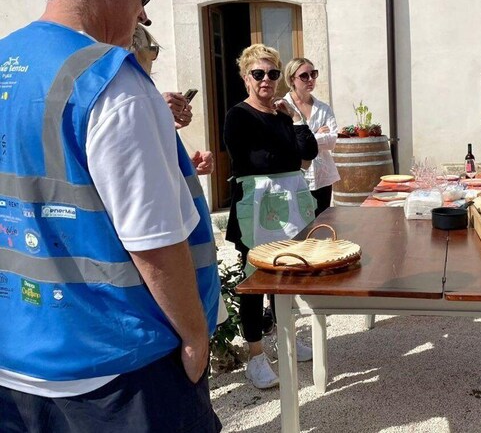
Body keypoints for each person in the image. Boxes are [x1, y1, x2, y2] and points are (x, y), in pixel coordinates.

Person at [0, 0, 221, 432]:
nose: (141, 17)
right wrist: (194, 336)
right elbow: (153, 237)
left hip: (17, 359)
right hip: (118, 368)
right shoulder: (111, 82)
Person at [223, 44, 318, 389]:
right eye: (258, 74)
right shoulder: (239, 115)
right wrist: (288, 158)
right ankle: (256, 357)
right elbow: (258, 161)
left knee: (289, 271)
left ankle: (285, 339)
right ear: (246, 78)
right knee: (255, 282)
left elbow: (309, 153)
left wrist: (293, 120)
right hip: (257, 208)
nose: (266, 80)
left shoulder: (283, 116)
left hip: (289, 203)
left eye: (273, 74)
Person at [130, 25, 214, 176]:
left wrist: (187, 167)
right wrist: (157, 110)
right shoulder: (119, 98)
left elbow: (148, 155)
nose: (154, 59)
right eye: (152, 50)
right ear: (133, 52)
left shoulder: (144, 96)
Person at [283, 58, 340, 215]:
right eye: (304, 76)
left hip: (323, 177)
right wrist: (316, 135)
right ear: (291, 79)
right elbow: (286, 143)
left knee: (323, 223)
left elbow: (332, 140)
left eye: (313, 74)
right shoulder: (283, 107)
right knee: (299, 224)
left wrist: (305, 140)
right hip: (297, 177)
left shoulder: (323, 108)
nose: (310, 79)